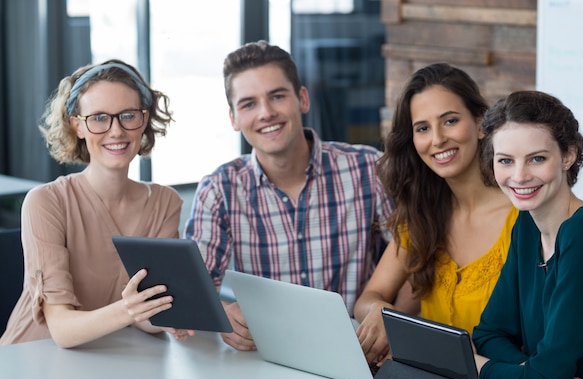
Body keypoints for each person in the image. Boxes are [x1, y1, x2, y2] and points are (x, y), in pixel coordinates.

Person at [184, 40, 394, 351]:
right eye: (249, 104)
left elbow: (415, 256)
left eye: (277, 96)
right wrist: (224, 318)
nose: (266, 113)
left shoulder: (368, 169)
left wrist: (390, 316)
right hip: (268, 357)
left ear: (303, 99)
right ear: (233, 118)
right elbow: (194, 292)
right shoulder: (219, 189)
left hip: (357, 354)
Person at [0, 59, 194, 348]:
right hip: (30, 358)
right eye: (99, 118)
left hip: (105, 359)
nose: (116, 131)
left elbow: (143, 311)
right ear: (78, 126)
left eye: (128, 115)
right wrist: (129, 311)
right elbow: (62, 330)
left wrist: (167, 319)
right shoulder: (45, 202)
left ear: (144, 120)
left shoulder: (164, 203)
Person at [353, 63, 517, 366]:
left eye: (450, 121)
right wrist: (378, 309)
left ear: (481, 123)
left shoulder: (522, 216)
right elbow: (368, 298)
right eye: (423, 128)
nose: (438, 139)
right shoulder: (421, 215)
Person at [473, 90, 583, 379]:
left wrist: (472, 366)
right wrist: (541, 373)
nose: (519, 176)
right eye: (505, 161)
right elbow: (490, 334)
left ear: (568, 156)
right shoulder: (527, 226)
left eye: (537, 158)